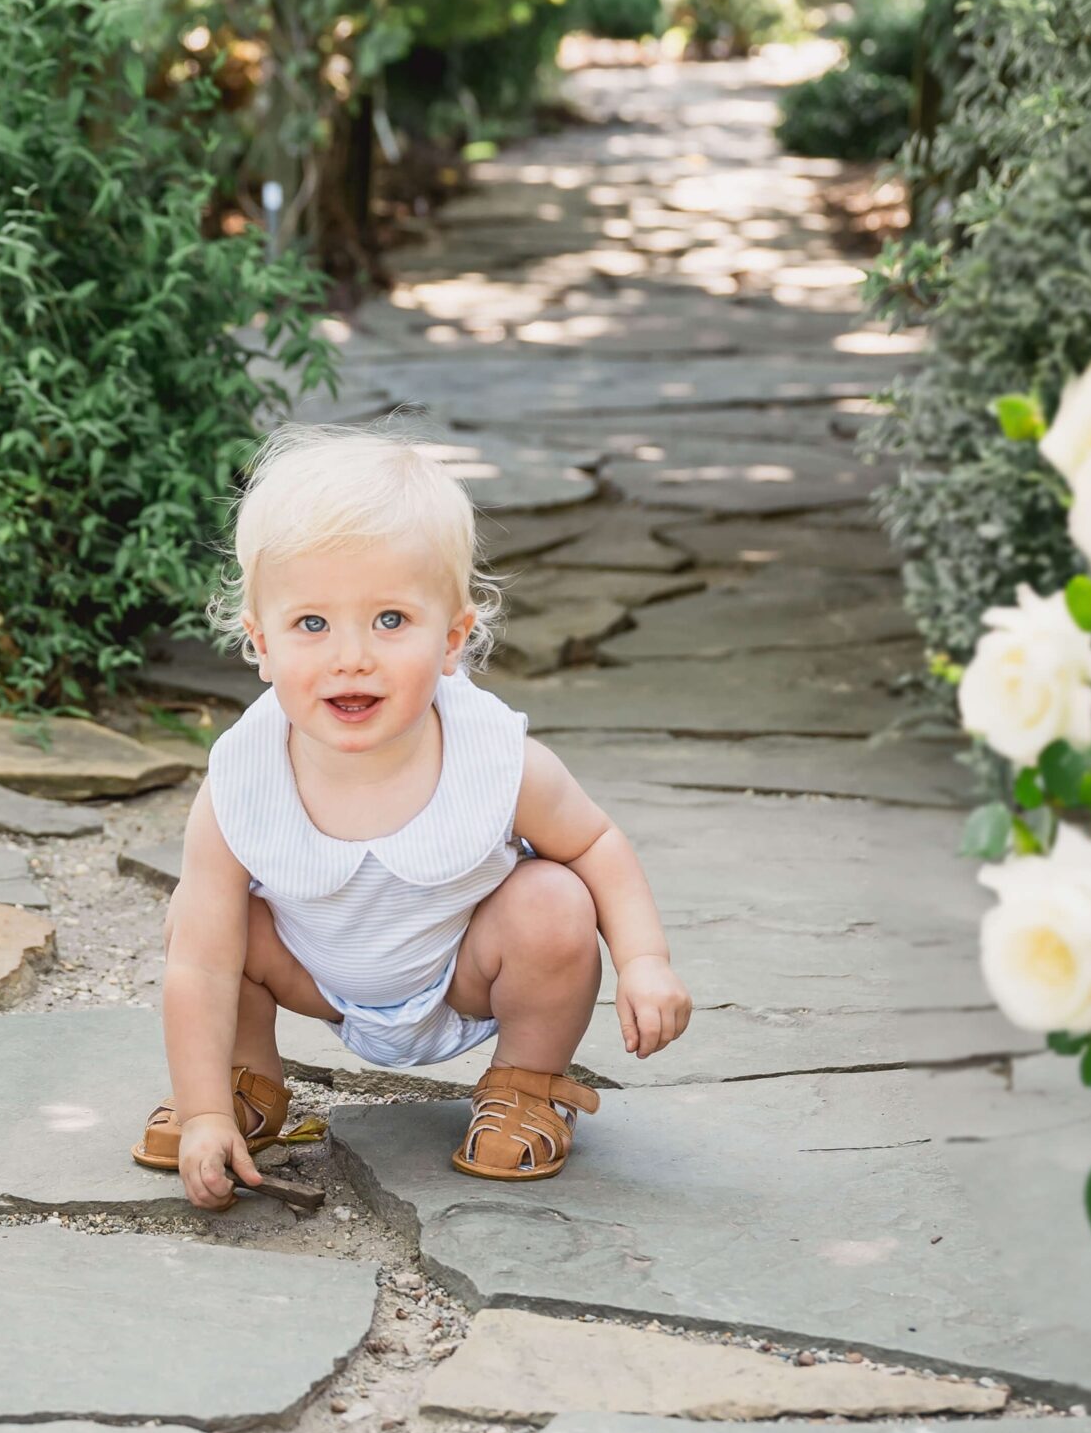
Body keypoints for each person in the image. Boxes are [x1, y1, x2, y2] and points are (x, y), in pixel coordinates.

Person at [134, 423, 691, 1210]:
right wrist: (196, 1113)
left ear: (451, 639)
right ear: (260, 643)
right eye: (311, 624)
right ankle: (241, 1086)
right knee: (203, 917)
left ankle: (527, 1083)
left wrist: (645, 960)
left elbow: (596, 843)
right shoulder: (241, 778)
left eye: (390, 620)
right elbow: (199, 966)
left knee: (555, 901)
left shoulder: (491, 756)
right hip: (315, 975)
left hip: (462, 973)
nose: (351, 655)